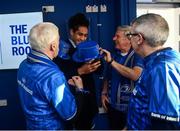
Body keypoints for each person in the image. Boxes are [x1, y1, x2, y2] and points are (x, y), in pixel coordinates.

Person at [17, 22, 86, 130]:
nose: (60, 43)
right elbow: (70, 115)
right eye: (58, 40)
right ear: (53, 46)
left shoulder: (23, 65)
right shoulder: (54, 77)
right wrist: (79, 89)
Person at [126, 13, 180, 130]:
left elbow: (166, 124)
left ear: (139, 38)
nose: (129, 39)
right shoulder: (155, 61)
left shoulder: (162, 69)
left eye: (130, 35)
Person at [53, 13, 101, 129]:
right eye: (80, 34)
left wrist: (98, 59)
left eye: (85, 35)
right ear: (71, 32)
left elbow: (99, 72)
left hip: (89, 103)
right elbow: (59, 76)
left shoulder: (89, 47)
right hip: (71, 102)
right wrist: (79, 71)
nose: (83, 38)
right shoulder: (60, 50)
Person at [100, 26, 144, 130]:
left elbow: (135, 75)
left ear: (128, 39)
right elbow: (108, 76)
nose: (114, 39)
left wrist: (111, 62)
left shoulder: (137, 55)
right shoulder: (114, 55)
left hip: (130, 109)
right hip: (113, 107)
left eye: (117, 36)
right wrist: (104, 93)